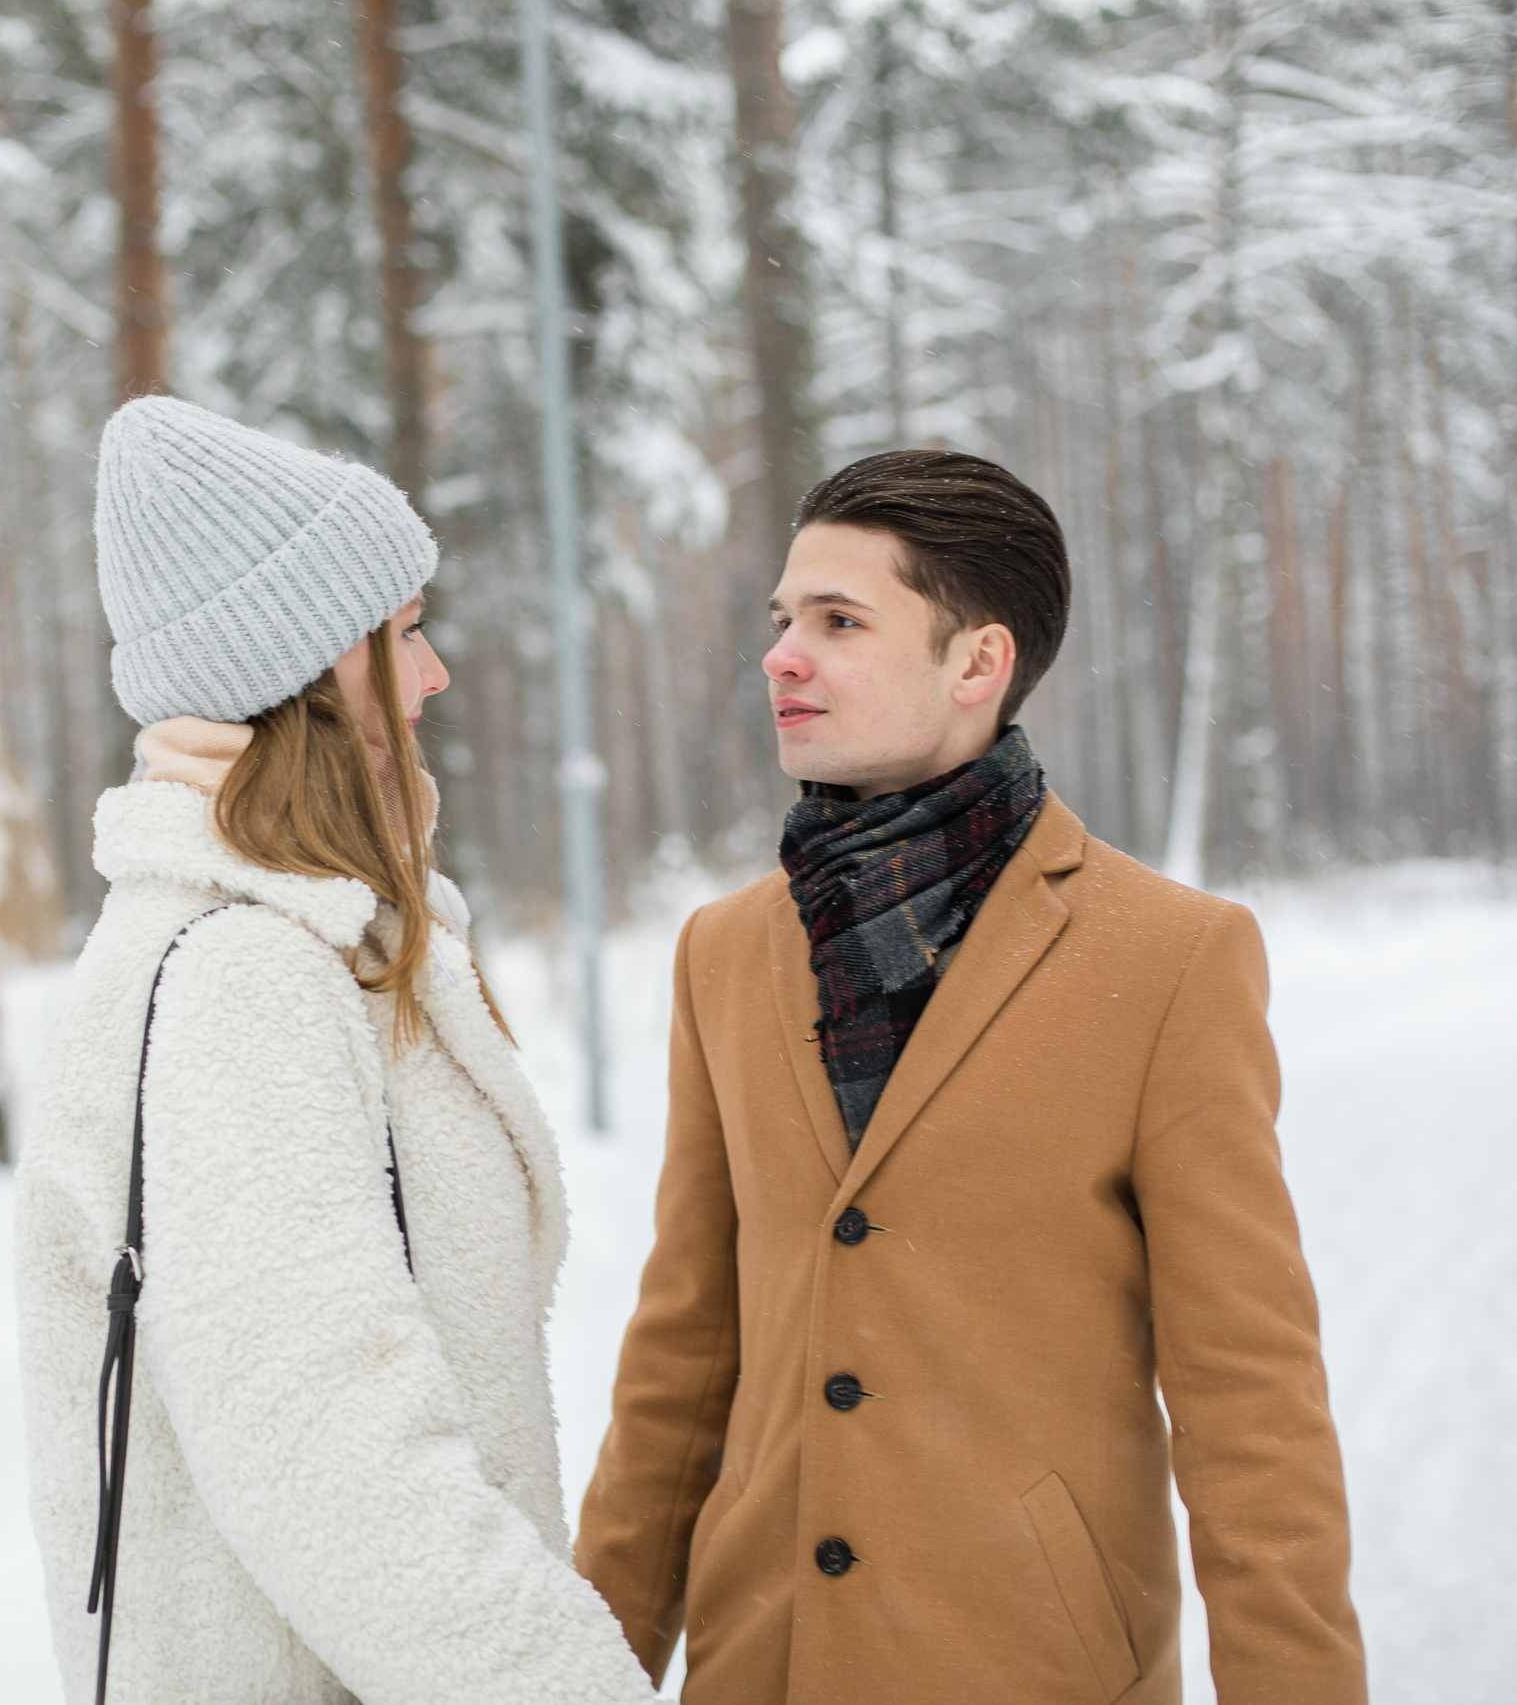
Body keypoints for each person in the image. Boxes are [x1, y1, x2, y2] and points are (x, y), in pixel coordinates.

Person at [575, 450, 1366, 1703]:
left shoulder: (1171, 961)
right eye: (783, 621)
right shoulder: (722, 954)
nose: (782, 655)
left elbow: (1248, 1405)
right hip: (760, 1666)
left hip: (1027, 1664)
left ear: (977, 664)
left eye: (839, 622)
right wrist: (584, 1668)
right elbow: (683, 1361)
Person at [15, 397, 656, 1705]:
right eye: (405, 635)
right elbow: (336, 1458)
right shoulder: (241, 974)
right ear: (311, 664)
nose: (435, 677)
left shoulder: (300, 943)